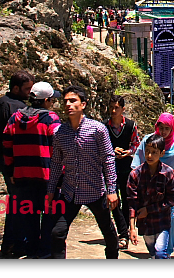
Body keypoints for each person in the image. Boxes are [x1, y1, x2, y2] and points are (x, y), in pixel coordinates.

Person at [46, 85, 119, 259]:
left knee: (108, 231)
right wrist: (50, 191)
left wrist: (112, 190)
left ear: (83, 104)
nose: (68, 105)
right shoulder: (59, 133)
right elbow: (56, 163)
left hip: (95, 190)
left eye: (73, 101)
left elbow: (108, 159)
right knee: (57, 233)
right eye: (65, 102)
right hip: (70, 192)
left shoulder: (97, 129)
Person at [1, 81, 62, 259]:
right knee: (49, 217)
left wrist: (11, 171)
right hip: (46, 178)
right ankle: (44, 253)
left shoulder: (15, 118)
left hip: (21, 177)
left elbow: (6, 145)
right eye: (52, 100)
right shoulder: (51, 120)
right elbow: (58, 149)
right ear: (46, 100)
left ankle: (31, 250)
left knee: (29, 217)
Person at [131, 113, 174, 256]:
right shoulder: (149, 141)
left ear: (172, 129)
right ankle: (155, 250)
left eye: (166, 129)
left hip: (172, 187)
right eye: (161, 128)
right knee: (151, 218)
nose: (163, 132)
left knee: (171, 220)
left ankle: (166, 251)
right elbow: (138, 160)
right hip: (151, 188)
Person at [0, 70, 34, 258]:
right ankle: (13, 243)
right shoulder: (12, 107)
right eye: (27, 89)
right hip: (15, 162)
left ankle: (16, 243)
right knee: (20, 204)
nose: (29, 93)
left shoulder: (5, 103)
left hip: (12, 161)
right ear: (16, 88)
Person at [127, 133, 174, 259]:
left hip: (162, 221)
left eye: (154, 152)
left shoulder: (169, 174)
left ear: (162, 153)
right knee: (153, 252)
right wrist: (132, 228)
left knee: (160, 252)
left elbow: (173, 198)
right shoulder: (135, 175)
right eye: (147, 151)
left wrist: (149, 210)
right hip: (145, 224)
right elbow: (132, 202)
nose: (149, 156)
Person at [105, 95, 141, 250]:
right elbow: (101, 146)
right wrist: (111, 151)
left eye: (117, 107)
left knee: (127, 200)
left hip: (127, 166)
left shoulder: (131, 126)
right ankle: (122, 232)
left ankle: (126, 229)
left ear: (123, 109)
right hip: (110, 168)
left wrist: (128, 152)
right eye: (111, 107)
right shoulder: (104, 127)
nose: (113, 110)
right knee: (114, 201)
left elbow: (136, 143)